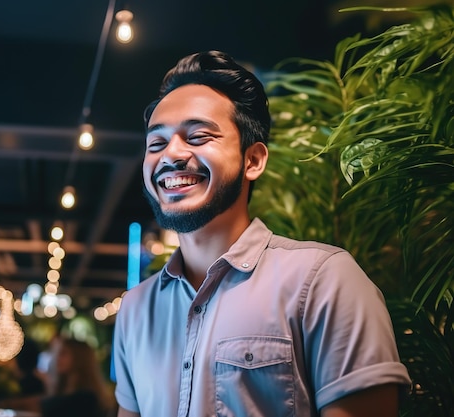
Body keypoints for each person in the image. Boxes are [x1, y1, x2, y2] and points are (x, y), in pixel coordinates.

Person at [112, 50, 411, 417]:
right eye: (156, 143)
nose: (171, 154)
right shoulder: (135, 308)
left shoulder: (323, 280)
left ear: (253, 160)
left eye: (198, 136)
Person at [41, 337, 114, 417]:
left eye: (64, 353)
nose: (58, 358)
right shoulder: (64, 389)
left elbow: (48, 407)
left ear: (79, 357)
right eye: (59, 354)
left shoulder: (87, 398)